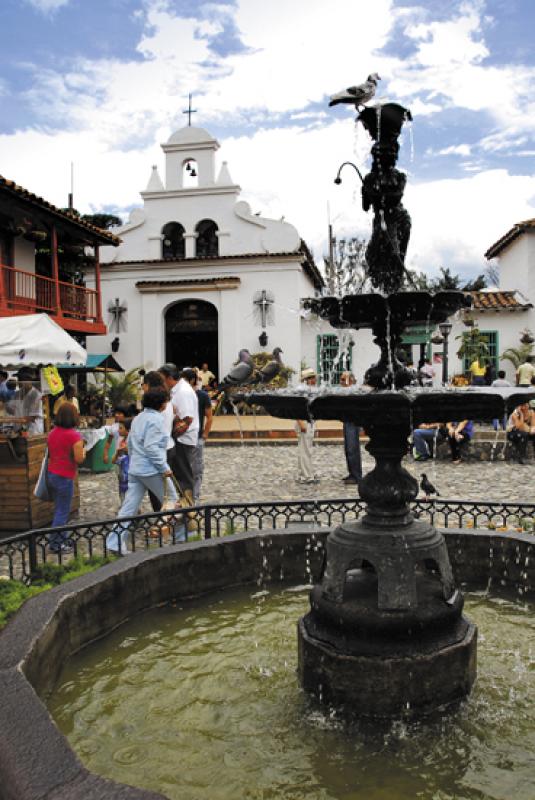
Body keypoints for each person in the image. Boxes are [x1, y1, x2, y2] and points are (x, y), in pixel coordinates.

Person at [106, 388, 177, 554]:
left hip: (136, 469)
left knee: (128, 508)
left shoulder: (138, 418)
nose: (167, 404)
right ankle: (181, 538)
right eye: (166, 401)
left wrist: (134, 460)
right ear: (161, 404)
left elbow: (130, 442)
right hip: (151, 470)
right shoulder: (157, 421)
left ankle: (114, 542)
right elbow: (151, 447)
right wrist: (164, 468)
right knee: (173, 500)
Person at [46, 402, 86, 552]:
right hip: (64, 476)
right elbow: (79, 459)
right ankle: (56, 544)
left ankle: (62, 538)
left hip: (52, 474)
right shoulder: (74, 436)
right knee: (62, 511)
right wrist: (84, 451)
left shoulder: (52, 433)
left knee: (59, 509)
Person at [159, 364, 199, 494]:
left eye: (162, 379)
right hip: (179, 438)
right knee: (180, 475)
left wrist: (171, 434)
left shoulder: (183, 392)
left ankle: (188, 509)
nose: (161, 382)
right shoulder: (176, 389)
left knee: (184, 476)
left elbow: (187, 419)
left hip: (183, 439)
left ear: (170, 378)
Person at [142, 370, 175, 512]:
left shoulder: (157, 404)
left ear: (149, 384)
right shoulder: (164, 400)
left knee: (159, 492)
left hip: (159, 450)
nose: (142, 387)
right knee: (161, 490)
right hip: (166, 446)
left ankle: (164, 521)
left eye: (143, 384)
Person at [183, 368, 213, 503]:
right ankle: (186, 495)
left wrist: (205, 435)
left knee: (197, 469)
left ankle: (194, 496)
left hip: (196, 437)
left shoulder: (202, 396)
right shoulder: (180, 394)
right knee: (184, 468)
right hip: (182, 437)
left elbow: (209, 417)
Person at [295, 368, 319, 484]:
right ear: (308, 380)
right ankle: (306, 476)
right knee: (305, 450)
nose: (315, 379)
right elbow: (297, 408)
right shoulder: (302, 391)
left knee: (306, 449)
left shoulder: (309, 390)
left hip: (309, 421)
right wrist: (301, 422)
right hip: (304, 421)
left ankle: (304, 473)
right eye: (313, 377)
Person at [340, 371, 362, 485]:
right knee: (348, 449)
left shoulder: (353, 391)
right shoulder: (346, 391)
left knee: (352, 448)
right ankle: (352, 473)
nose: (341, 382)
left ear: (351, 381)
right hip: (347, 421)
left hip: (353, 422)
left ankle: (356, 475)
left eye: (343, 380)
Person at [10, 369, 43, 434]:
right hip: (18, 431)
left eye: (21, 379)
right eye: (19, 379)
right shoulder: (17, 394)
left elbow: (32, 417)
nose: (19, 381)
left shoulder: (36, 395)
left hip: (33, 432)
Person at [112, 418, 131, 502]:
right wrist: (117, 453)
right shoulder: (122, 442)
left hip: (130, 475)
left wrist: (127, 450)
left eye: (121, 428)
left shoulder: (131, 443)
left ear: (129, 430)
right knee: (123, 493)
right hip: (123, 475)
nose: (118, 430)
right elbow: (114, 460)